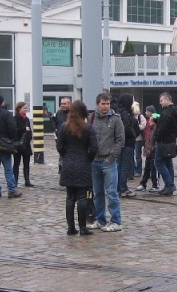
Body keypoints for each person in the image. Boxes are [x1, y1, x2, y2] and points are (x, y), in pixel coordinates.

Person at [57, 100, 99, 236]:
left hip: (68, 163)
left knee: (70, 197)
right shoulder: (88, 128)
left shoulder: (64, 127)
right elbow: (94, 148)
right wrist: (88, 158)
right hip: (83, 164)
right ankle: (82, 227)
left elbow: (59, 146)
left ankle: (70, 227)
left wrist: (66, 156)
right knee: (82, 198)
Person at [86, 92, 124, 232]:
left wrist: (112, 157)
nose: (106, 106)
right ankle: (100, 219)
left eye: (108, 104)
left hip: (108, 161)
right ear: (98, 104)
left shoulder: (115, 119)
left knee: (112, 193)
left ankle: (116, 221)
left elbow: (120, 140)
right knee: (97, 193)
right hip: (94, 161)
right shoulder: (92, 118)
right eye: (103, 104)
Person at [153, 92, 177, 196]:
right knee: (168, 162)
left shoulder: (167, 112)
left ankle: (169, 184)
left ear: (167, 99)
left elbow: (162, 128)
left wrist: (156, 138)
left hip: (164, 141)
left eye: (161, 100)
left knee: (158, 163)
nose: (160, 103)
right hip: (171, 140)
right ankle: (168, 186)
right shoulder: (176, 111)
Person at [115, 93, 138, 197]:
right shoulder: (124, 113)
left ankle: (119, 187)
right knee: (124, 166)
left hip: (119, 143)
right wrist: (133, 135)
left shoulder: (119, 111)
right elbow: (126, 127)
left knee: (119, 166)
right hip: (126, 143)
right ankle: (122, 188)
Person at [136, 105, 160, 192]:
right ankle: (143, 183)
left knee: (153, 168)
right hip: (148, 147)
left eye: (146, 111)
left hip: (153, 149)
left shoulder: (155, 122)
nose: (145, 113)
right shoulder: (150, 124)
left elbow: (155, 138)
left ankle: (155, 185)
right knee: (147, 167)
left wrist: (153, 147)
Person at [13, 102, 34, 187]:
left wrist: (29, 138)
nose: (26, 110)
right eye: (24, 108)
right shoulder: (15, 118)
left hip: (26, 145)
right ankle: (15, 181)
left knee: (26, 163)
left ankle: (27, 180)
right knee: (16, 163)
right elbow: (14, 130)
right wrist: (23, 129)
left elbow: (29, 131)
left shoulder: (26, 119)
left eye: (26, 108)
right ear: (19, 109)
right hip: (18, 144)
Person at [54, 97, 71, 174]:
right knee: (61, 153)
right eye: (62, 104)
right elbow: (55, 123)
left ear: (69, 104)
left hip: (70, 138)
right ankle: (61, 169)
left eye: (64, 104)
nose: (63, 105)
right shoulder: (59, 112)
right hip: (60, 137)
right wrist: (55, 130)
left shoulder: (73, 113)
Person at [133, 101, 146, 177]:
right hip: (132, 139)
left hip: (138, 138)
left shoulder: (140, 116)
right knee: (132, 155)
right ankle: (133, 169)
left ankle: (138, 170)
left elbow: (143, 125)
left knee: (138, 155)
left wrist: (137, 128)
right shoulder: (129, 115)